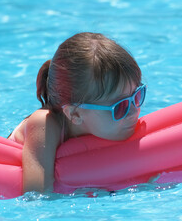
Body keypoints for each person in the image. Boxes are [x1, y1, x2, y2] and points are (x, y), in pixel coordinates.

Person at [8, 32, 146, 194]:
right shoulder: (44, 125)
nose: (133, 111)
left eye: (137, 96)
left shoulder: (104, 120)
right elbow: (36, 195)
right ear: (75, 114)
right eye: (119, 107)